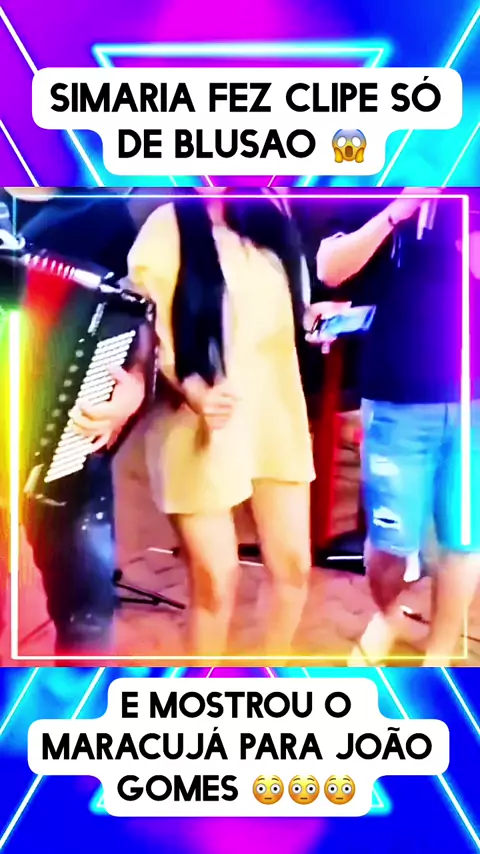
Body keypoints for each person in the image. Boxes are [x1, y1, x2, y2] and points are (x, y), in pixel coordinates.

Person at [70, 187, 318, 661]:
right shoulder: (165, 225)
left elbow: (282, 305)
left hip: (275, 413)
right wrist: (194, 388)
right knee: (216, 582)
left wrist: (311, 317)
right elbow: (146, 331)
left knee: (293, 569)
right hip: (194, 424)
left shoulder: (268, 215)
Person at [315, 187, 479, 666]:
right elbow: (329, 268)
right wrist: (397, 211)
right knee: (389, 544)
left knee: (463, 537)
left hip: (471, 400)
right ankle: (388, 616)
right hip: (395, 399)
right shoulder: (378, 183)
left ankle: (440, 655)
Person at [6, 187, 138, 656]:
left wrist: (134, 386)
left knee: (87, 618)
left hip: (69, 447)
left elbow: (137, 317)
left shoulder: (103, 211)